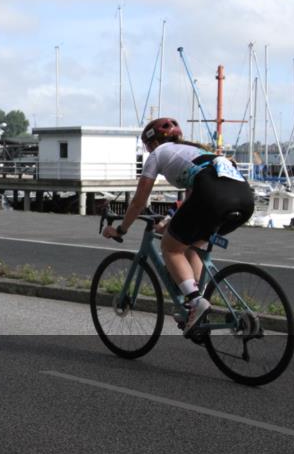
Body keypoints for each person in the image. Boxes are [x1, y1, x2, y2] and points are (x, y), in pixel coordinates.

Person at [102, 117, 254, 335]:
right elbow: (192, 203)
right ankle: (199, 305)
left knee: (171, 248)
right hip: (244, 199)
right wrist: (169, 222)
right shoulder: (196, 152)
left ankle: (195, 302)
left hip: (213, 196)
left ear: (152, 144)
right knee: (192, 245)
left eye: (147, 147)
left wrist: (120, 230)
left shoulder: (158, 154)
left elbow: (138, 201)